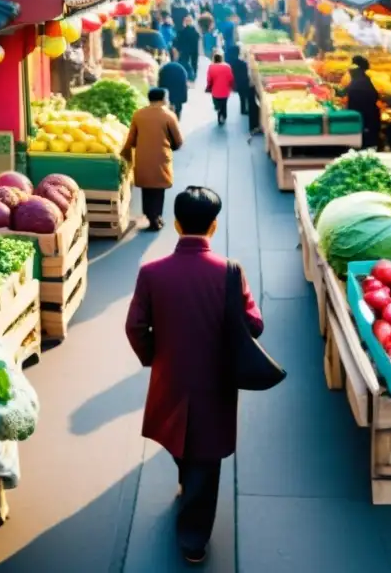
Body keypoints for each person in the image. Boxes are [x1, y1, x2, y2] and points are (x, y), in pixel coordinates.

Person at [125, 187, 263, 564]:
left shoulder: (152, 273)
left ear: (176, 224)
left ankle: (187, 480)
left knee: (177, 438)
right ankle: (193, 542)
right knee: (206, 457)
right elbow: (254, 325)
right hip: (214, 383)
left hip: (169, 379)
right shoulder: (231, 272)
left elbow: (135, 326)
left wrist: (155, 356)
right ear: (214, 226)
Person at [121, 88, 185, 231]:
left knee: (147, 187)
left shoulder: (138, 115)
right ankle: (156, 216)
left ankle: (150, 215)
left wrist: (124, 154)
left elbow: (131, 139)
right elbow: (178, 141)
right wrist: (172, 147)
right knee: (158, 189)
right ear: (163, 99)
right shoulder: (169, 116)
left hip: (142, 156)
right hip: (161, 157)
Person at [343, 56, 381, 150]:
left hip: (359, 119)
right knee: (368, 145)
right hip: (369, 119)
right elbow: (374, 96)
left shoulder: (357, 80)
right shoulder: (365, 79)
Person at [206, 51, 234, 127]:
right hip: (225, 91)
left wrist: (208, 87)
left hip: (215, 91)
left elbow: (209, 79)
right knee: (224, 104)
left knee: (216, 102)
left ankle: (217, 108)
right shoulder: (227, 66)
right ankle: (223, 116)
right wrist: (231, 86)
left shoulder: (211, 67)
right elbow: (231, 78)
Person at [174, 16, 201, 81]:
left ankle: (186, 76)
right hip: (193, 51)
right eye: (187, 20)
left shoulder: (181, 32)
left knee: (185, 63)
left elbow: (178, 42)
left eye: (189, 21)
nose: (188, 22)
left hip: (185, 51)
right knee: (193, 64)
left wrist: (178, 49)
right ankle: (193, 76)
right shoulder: (195, 33)